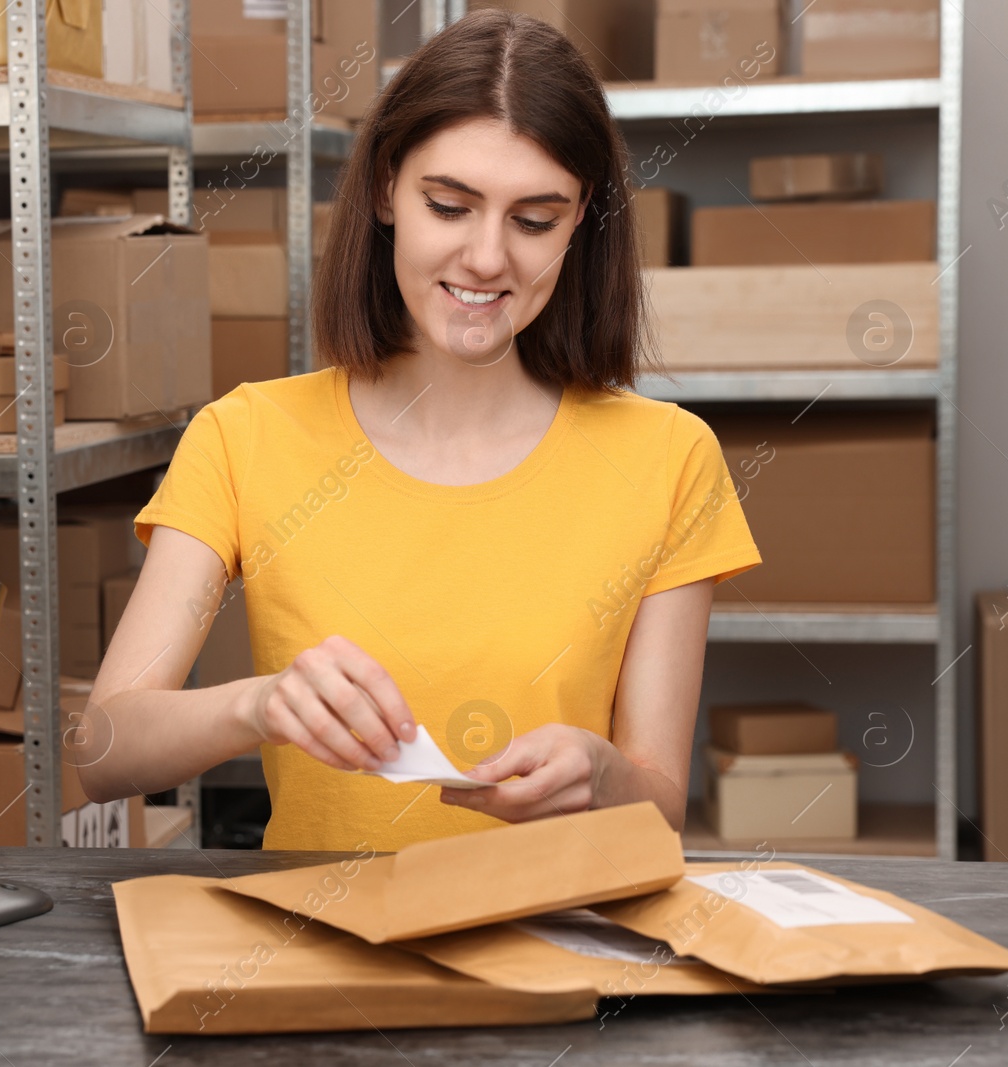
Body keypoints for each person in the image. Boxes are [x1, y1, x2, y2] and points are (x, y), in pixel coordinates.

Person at [73, 8, 761, 852]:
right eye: (450, 205)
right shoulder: (245, 436)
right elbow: (102, 751)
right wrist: (258, 703)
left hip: (550, 947)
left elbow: (658, 811)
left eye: (534, 220)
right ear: (384, 190)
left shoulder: (668, 459)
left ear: (581, 222)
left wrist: (603, 773)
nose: (485, 257)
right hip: (322, 950)